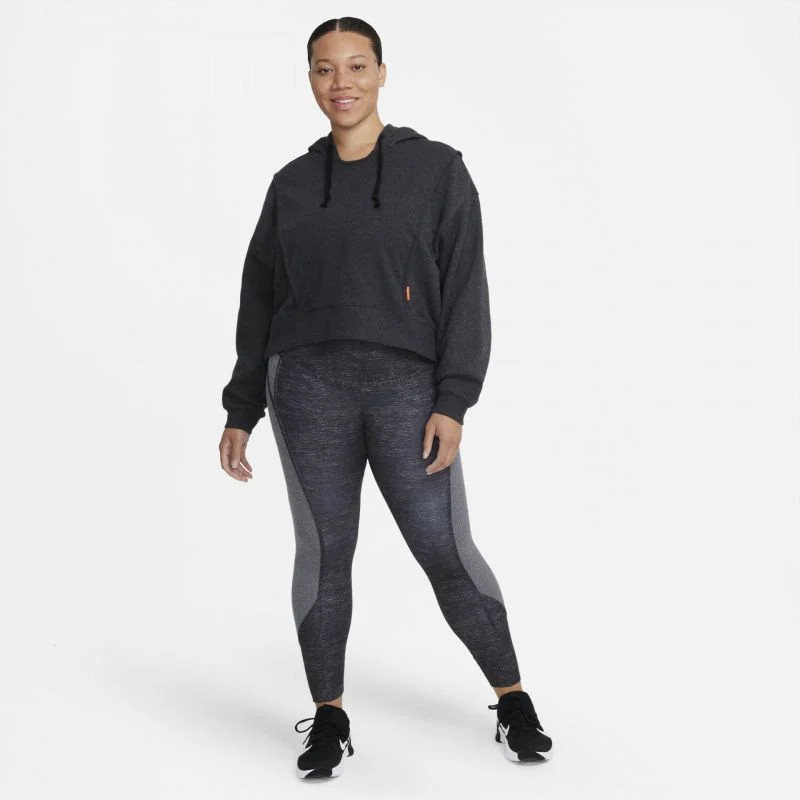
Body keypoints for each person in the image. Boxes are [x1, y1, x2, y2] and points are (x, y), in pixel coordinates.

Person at [218, 17, 553, 779]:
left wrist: (453, 399)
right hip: (306, 387)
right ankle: (329, 718)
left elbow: (465, 288)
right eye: (324, 68)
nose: (341, 83)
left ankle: (513, 700)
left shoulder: (435, 169)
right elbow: (258, 298)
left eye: (356, 65)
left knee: (443, 547)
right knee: (325, 552)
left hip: (407, 388)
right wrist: (242, 408)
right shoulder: (291, 184)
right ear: (310, 78)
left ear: (381, 73)